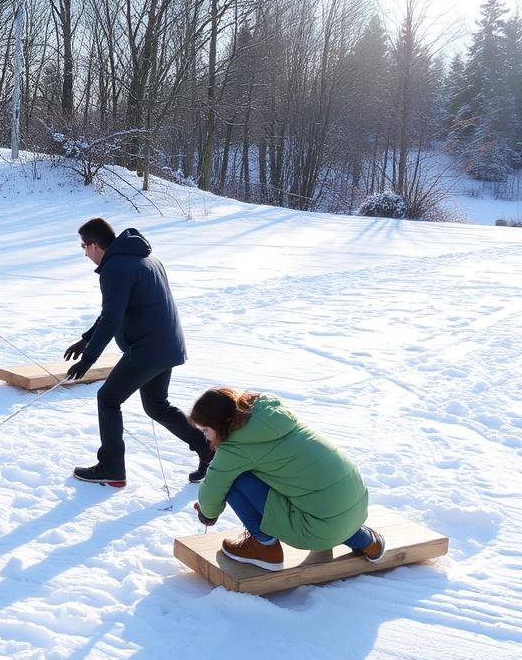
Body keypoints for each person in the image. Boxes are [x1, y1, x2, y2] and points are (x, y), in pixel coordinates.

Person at [64, 217, 213, 487]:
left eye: (84, 247)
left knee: (108, 399)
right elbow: (114, 311)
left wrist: (89, 359)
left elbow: (111, 319)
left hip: (148, 348)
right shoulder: (143, 257)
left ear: (96, 245)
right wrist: (86, 340)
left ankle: (111, 468)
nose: (85, 253)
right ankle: (208, 449)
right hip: (165, 344)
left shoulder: (116, 268)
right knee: (157, 405)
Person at [189, 387, 386, 572]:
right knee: (321, 501)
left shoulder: (234, 448)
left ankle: (264, 547)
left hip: (317, 528)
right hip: (355, 508)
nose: (206, 438)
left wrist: (207, 514)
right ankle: (367, 541)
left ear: (218, 424)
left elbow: (213, 488)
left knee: (234, 479)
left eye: (206, 430)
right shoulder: (270, 418)